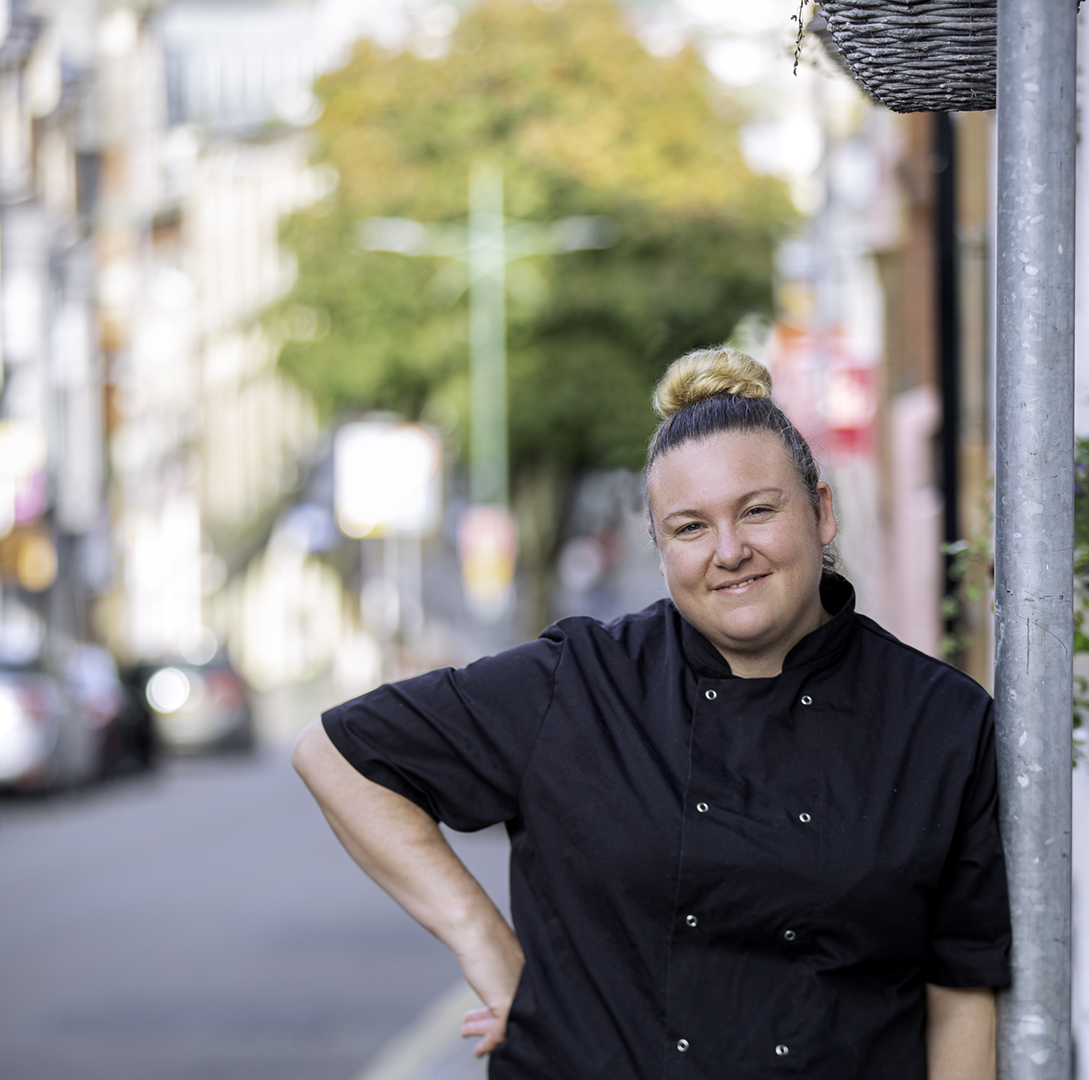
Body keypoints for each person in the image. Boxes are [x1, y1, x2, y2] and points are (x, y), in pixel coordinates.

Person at [293, 348, 1010, 1079]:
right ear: (659, 550)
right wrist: (489, 949)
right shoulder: (579, 683)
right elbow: (336, 755)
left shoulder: (940, 723)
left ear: (822, 511)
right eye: (690, 527)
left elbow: (960, 997)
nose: (729, 551)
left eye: (758, 511)